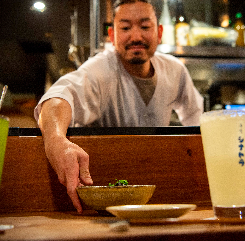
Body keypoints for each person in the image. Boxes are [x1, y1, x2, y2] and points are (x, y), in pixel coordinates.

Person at [34, 0, 204, 213]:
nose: (136, 37)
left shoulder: (175, 71)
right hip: (104, 198)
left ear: (159, 32)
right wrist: (56, 140)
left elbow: (198, 123)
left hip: (159, 194)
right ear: (113, 36)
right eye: (125, 28)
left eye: (145, 26)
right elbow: (58, 97)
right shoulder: (100, 71)